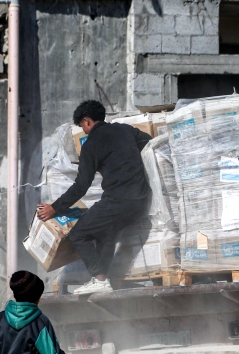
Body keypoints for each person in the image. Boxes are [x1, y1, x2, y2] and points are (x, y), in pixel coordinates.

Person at [36, 100, 152, 294]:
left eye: (82, 126)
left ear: (87, 121)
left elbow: (81, 186)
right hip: (141, 200)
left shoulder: (91, 145)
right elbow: (148, 141)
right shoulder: (125, 130)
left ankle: (99, 279)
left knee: (78, 234)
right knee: (107, 231)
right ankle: (103, 279)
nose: (84, 130)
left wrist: (54, 208)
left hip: (118, 201)